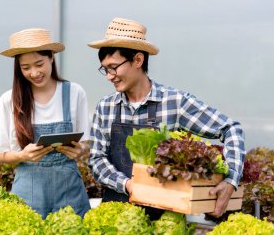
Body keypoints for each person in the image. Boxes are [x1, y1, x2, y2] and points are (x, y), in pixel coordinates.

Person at [87, 17, 245, 219]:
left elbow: (231, 128)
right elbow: (97, 158)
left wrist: (231, 180)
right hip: (116, 218)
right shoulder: (106, 107)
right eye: (105, 69)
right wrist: (127, 184)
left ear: (137, 60)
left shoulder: (175, 102)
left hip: (164, 221)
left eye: (114, 67)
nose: (109, 76)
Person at [0, 28, 91, 219]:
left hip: (69, 192)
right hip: (28, 192)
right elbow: (2, 154)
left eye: (39, 64)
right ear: (18, 68)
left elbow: (85, 143)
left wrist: (79, 151)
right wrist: (23, 155)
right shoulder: (8, 101)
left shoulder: (74, 93)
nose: (34, 73)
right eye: (26, 67)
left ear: (51, 58)